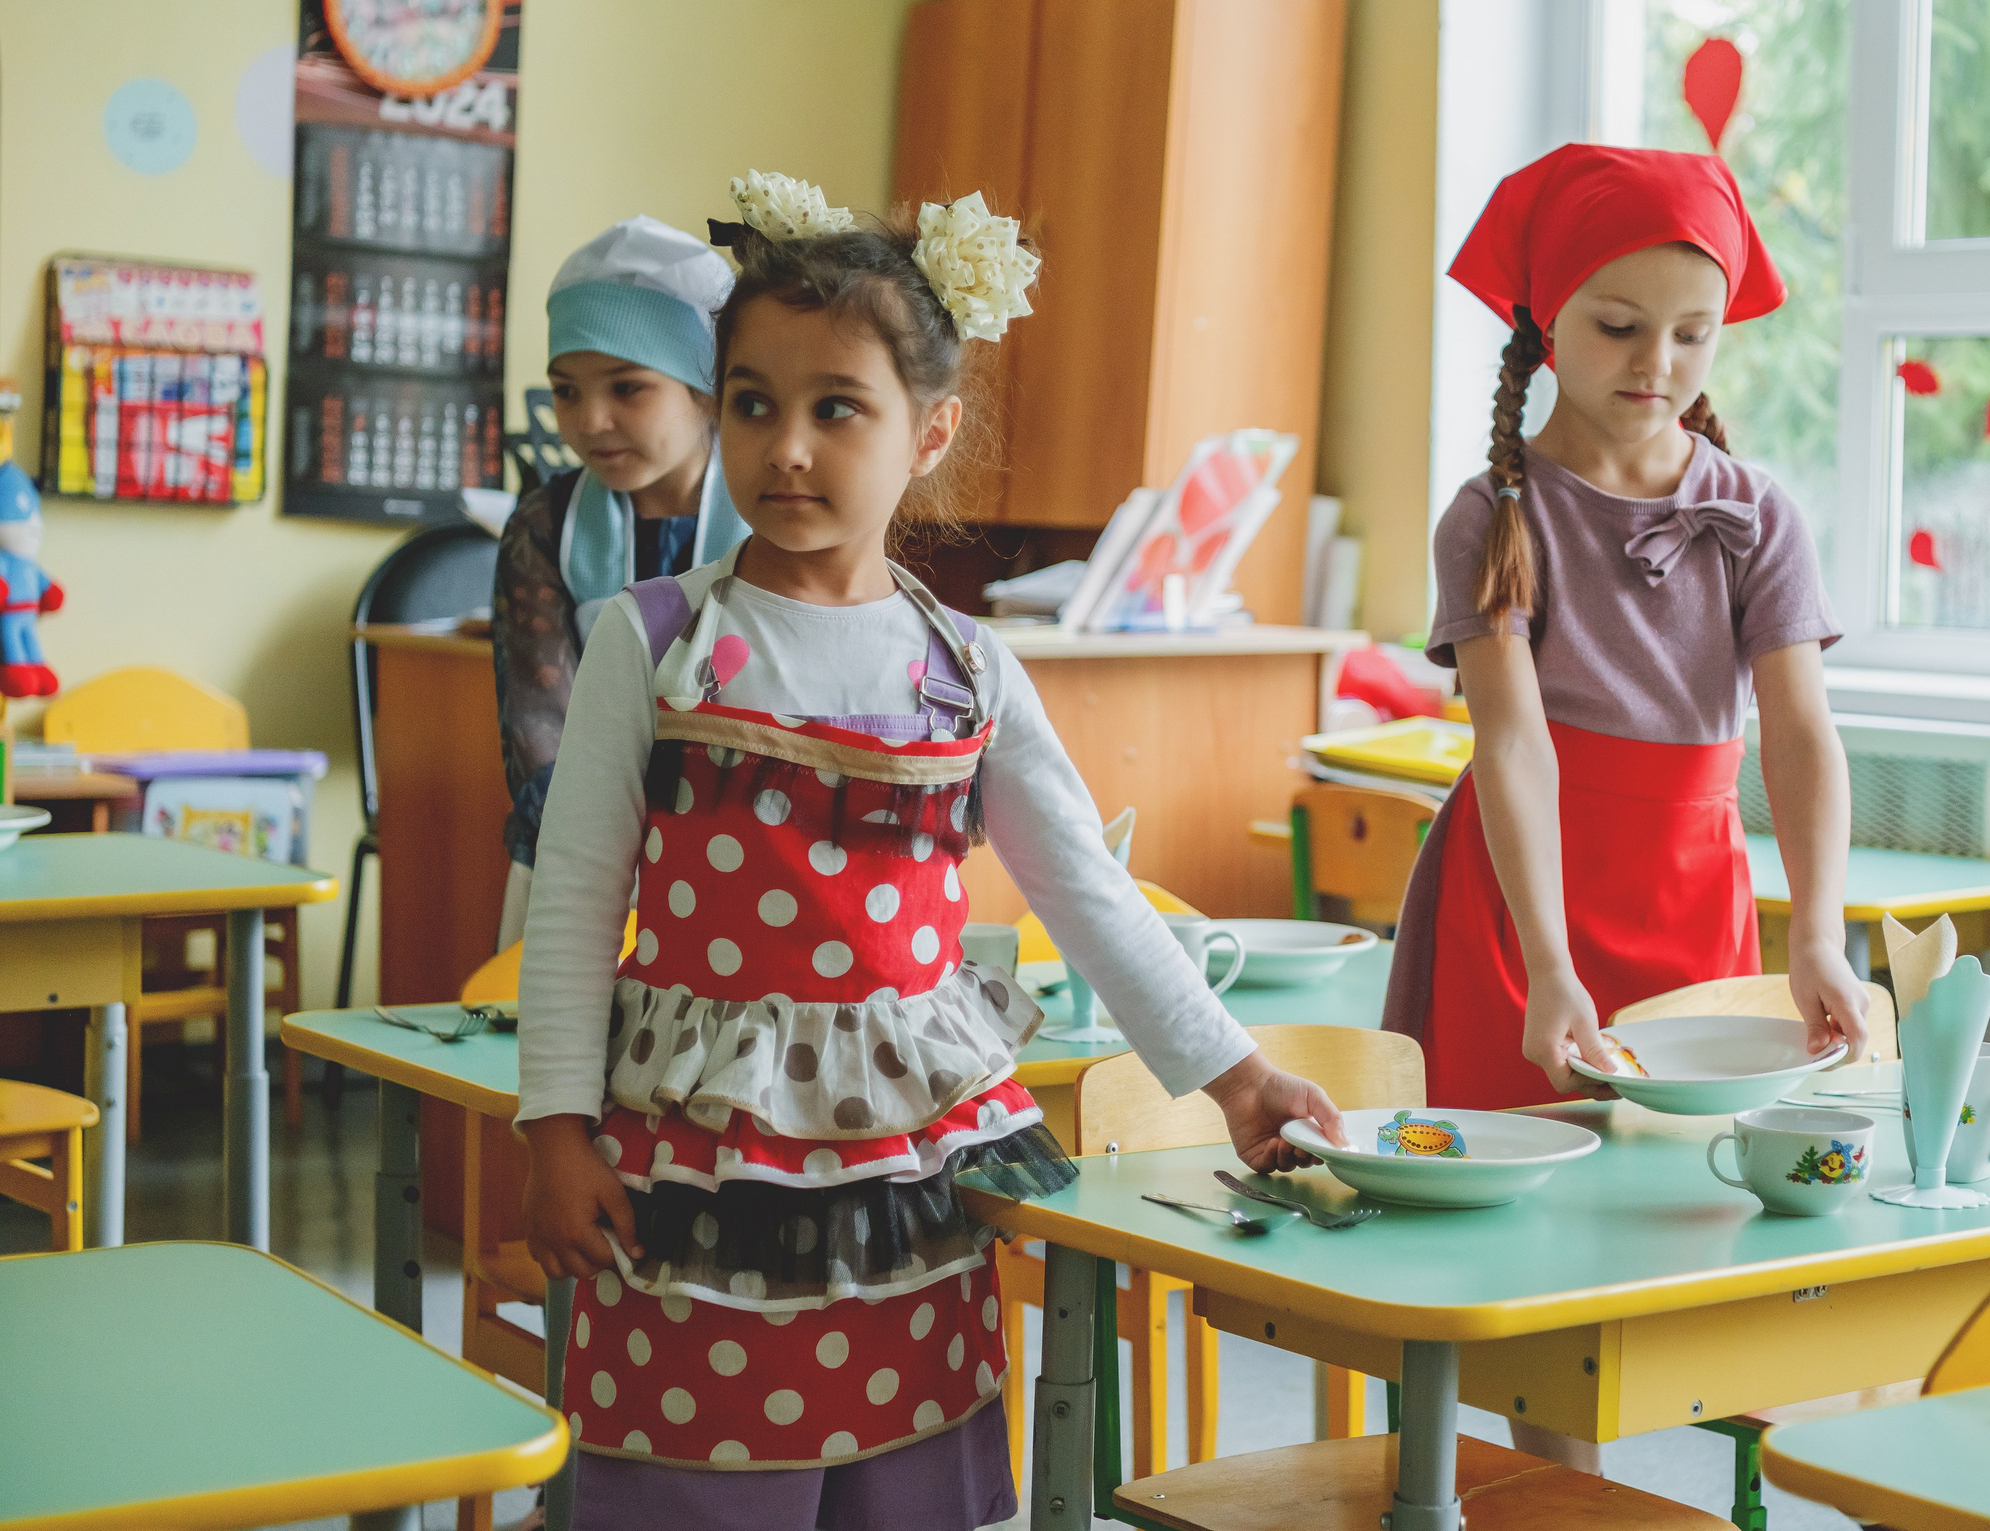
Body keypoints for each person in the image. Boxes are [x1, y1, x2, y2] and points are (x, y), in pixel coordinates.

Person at [513, 171, 1342, 1530]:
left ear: (929, 430)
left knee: (897, 1485)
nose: (787, 448)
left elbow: (1089, 892)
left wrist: (1237, 1075)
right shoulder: (652, 636)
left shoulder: (969, 667)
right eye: (752, 403)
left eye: (837, 407)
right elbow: (574, 900)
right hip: (695, 1159)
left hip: (905, 1171)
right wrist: (555, 1129)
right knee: (689, 1484)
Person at [1385, 142, 1868, 1109]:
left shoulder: (1758, 516)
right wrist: (1549, 959)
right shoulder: (1492, 518)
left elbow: (1802, 735)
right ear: (1548, 319)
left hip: (1694, 901)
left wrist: (1817, 933)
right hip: (1525, 911)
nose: (1657, 362)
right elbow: (1512, 742)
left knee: (1688, 1179)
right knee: (1514, 1154)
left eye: (1694, 334)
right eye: (1619, 326)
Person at [492, 217, 751, 948]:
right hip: (575, 856)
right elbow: (536, 718)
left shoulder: (772, 521)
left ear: (706, 388)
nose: (591, 421)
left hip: (747, 861)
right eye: (566, 391)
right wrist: (597, 843)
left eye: (628, 387)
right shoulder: (545, 526)